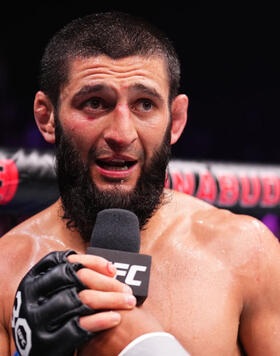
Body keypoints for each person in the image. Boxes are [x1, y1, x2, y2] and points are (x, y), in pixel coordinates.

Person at [1, 11, 280, 356]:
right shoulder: (6, 269)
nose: (121, 134)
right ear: (47, 117)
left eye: (144, 104)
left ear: (175, 120)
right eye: (94, 103)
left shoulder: (247, 253)